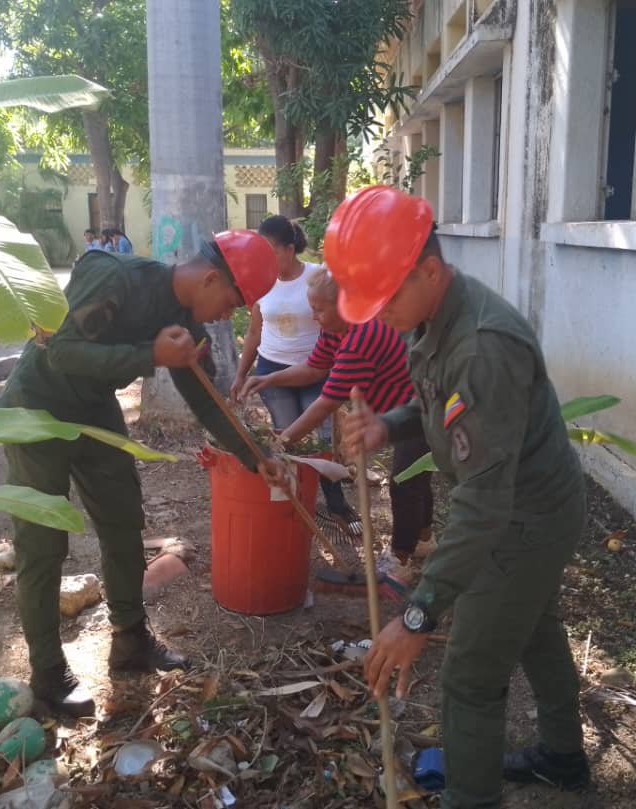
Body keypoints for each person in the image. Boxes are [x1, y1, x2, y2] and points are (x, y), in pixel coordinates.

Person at [333, 186, 590, 807]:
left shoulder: (481, 346)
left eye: (386, 297)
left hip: (522, 521)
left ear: (429, 270)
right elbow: (440, 409)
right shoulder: (434, 315)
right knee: (535, 630)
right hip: (527, 507)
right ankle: (562, 757)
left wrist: (419, 614)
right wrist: (385, 426)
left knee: (469, 678)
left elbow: (483, 509)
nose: (378, 314)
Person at [0, 230, 286, 718]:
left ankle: (129, 641)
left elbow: (206, 399)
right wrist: (149, 355)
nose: (226, 316)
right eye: (232, 302)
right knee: (43, 544)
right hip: (37, 407)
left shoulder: (186, 323)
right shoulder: (112, 275)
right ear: (212, 277)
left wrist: (256, 456)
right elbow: (60, 349)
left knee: (123, 522)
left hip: (93, 409)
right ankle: (48, 674)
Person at [241, 267, 434, 583]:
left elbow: (327, 402)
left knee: (405, 480)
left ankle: (400, 559)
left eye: (318, 309)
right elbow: (315, 369)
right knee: (414, 476)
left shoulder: (361, 336)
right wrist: (268, 378)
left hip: (419, 412)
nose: (314, 316)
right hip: (398, 411)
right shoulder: (336, 330)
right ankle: (424, 539)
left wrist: (281, 442)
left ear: (344, 305)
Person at [230, 215, 359, 531]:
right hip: (272, 368)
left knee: (322, 438)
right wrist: (241, 374)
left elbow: (342, 326)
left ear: (290, 249)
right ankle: (298, 506)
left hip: (317, 367)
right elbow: (254, 333)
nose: (266, 258)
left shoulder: (318, 278)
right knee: (290, 438)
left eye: (271, 250)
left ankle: (337, 505)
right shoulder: (261, 283)